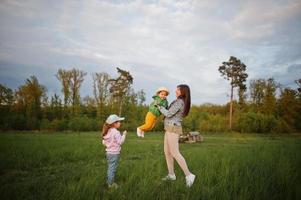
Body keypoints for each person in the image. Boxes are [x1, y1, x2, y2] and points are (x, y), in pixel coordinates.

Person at [156, 84, 196, 187]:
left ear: (183, 92)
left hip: (173, 128)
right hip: (169, 127)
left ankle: (189, 175)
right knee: (167, 152)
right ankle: (171, 175)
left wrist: (159, 106)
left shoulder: (180, 102)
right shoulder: (178, 101)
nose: (176, 91)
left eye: (178, 90)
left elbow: (168, 114)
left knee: (175, 152)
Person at [102, 114, 127, 188]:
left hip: (108, 153)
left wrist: (110, 145)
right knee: (112, 169)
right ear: (114, 124)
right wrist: (124, 135)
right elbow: (120, 142)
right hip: (114, 154)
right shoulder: (116, 132)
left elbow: (103, 142)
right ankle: (110, 184)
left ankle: (109, 180)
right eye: (119, 122)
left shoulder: (107, 131)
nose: (120, 123)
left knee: (110, 167)